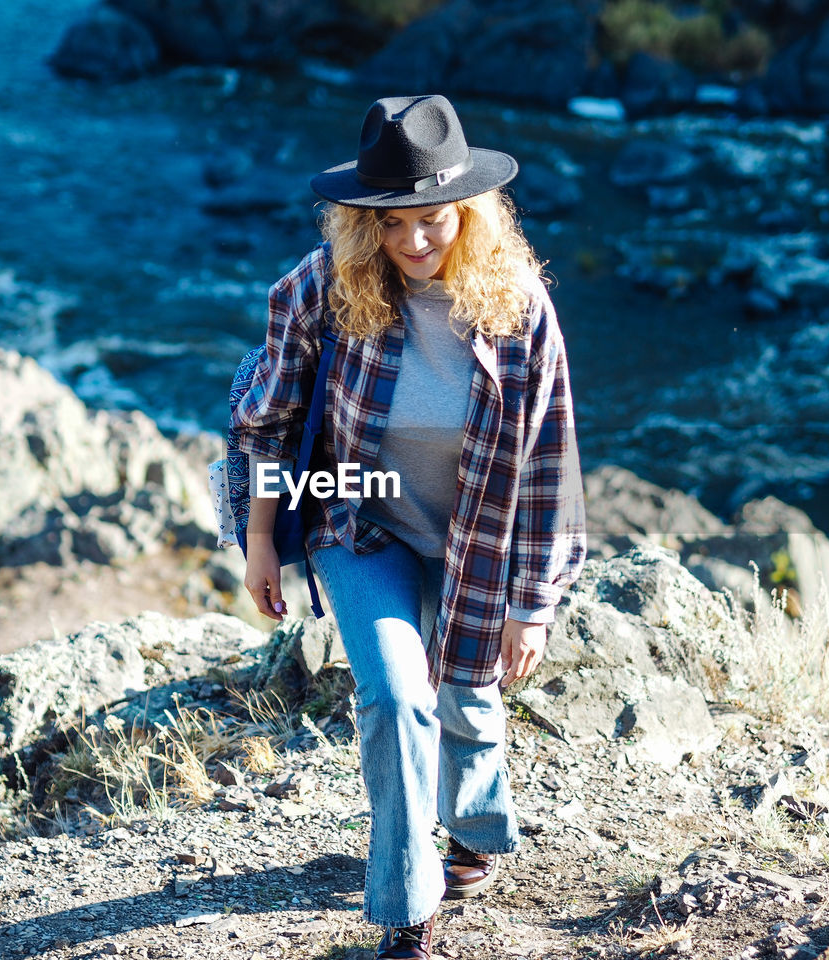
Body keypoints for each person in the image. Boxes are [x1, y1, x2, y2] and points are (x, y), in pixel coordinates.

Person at [232, 94, 586, 960]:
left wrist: (532, 603)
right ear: (364, 224)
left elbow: (549, 458)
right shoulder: (322, 287)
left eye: (434, 219)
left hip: (476, 538)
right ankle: (407, 906)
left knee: (468, 694)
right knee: (396, 698)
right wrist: (261, 541)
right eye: (392, 224)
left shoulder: (519, 308)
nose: (415, 240)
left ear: (471, 211)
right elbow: (268, 425)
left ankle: (476, 828)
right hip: (361, 524)